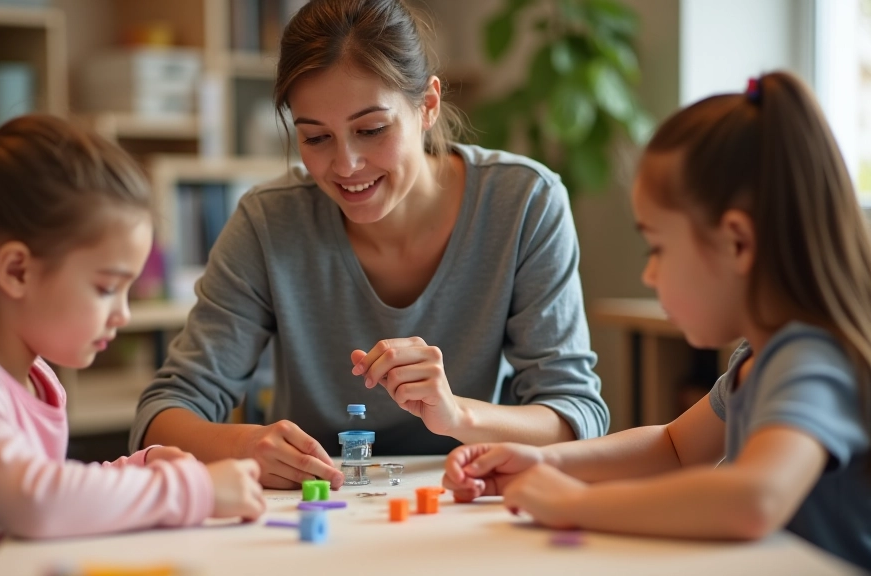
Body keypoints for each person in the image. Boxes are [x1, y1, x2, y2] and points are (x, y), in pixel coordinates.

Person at [133, 0, 609, 490]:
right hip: (313, 508)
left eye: (371, 130)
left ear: (428, 106)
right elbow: (161, 416)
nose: (346, 165)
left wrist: (457, 416)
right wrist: (241, 446)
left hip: (466, 505)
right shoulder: (268, 221)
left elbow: (574, 415)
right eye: (316, 138)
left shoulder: (524, 202)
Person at [442, 71, 871, 570]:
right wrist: (545, 460)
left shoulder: (811, 360)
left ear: (737, 242)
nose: (648, 273)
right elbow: (673, 446)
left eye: (658, 248)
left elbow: (754, 499)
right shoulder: (760, 359)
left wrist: (574, 505)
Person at [0, 116, 266, 576]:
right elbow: (38, 501)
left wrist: (139, 469)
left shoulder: (32, 377)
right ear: (17, 272)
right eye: (107, 287)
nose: (122, 314)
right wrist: (195, 490)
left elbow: (54, 490)